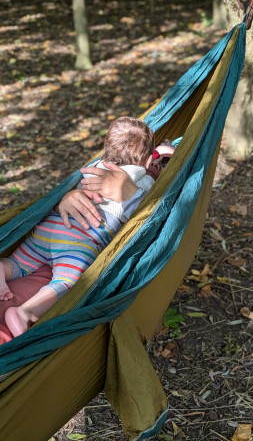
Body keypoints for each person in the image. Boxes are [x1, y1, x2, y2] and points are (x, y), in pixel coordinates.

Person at [0, 117, 175, 337]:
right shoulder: (145, 181)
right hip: (80, 239)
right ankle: (25, 313)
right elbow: (145, 207)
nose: (158, 163)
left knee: (16, 263)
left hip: (49, 229)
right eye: (158, 156)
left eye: (167, 162)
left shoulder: (95, 167)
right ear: (148, 158)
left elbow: (155, 217)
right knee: (71, 282)